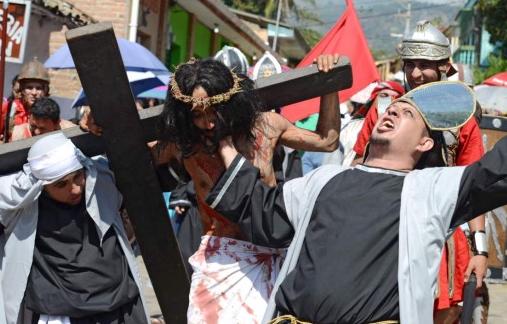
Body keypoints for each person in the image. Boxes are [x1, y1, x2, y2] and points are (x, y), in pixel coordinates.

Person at [208, 72, 507, 323]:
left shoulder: (429, 189)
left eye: (406, 114)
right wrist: (222, 142)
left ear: (425, 141)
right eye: (391, 109)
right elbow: (263, 213)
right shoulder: (322, 180)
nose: (391, 113)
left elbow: (495, 169)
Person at [86, 54, 341, 323]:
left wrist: (330, 84)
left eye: (214, 112)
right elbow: (127, 158)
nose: (208, 123)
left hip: (273, 253)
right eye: (197, 115)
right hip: (219, 262)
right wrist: (99, 123)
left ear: (232, 102)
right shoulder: (182, 145)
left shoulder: (266, 126)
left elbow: (328, 141)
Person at [351, 21, 488, 323]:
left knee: (444, 312)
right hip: (387, 229)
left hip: (444, 233)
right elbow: (357, 171)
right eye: (409, 64)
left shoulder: (462, 119)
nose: (415, 74)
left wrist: (481, 250)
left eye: (424, 65)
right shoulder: (383, 108)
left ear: (444, 67)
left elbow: (475, 189)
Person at [0, 133, 148, 323]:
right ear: (43, 187)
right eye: (61, 185)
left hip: (122, 306)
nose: (75, 189)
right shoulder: (19, 211)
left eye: (78, 176)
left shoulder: (102, 185)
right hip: (62, 312)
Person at [0, 58, 50, 144]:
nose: (34, 92)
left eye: (38, 88)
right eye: (29, 87)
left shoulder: (50, 110)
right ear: (22, 90)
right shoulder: (10, 107)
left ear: (45, 91)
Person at [10, 97, 76, 141]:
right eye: (33, 126)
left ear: (56, 123)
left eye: (42, 128)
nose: (36, 132)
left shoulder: (73, 133)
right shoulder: (19, 134)